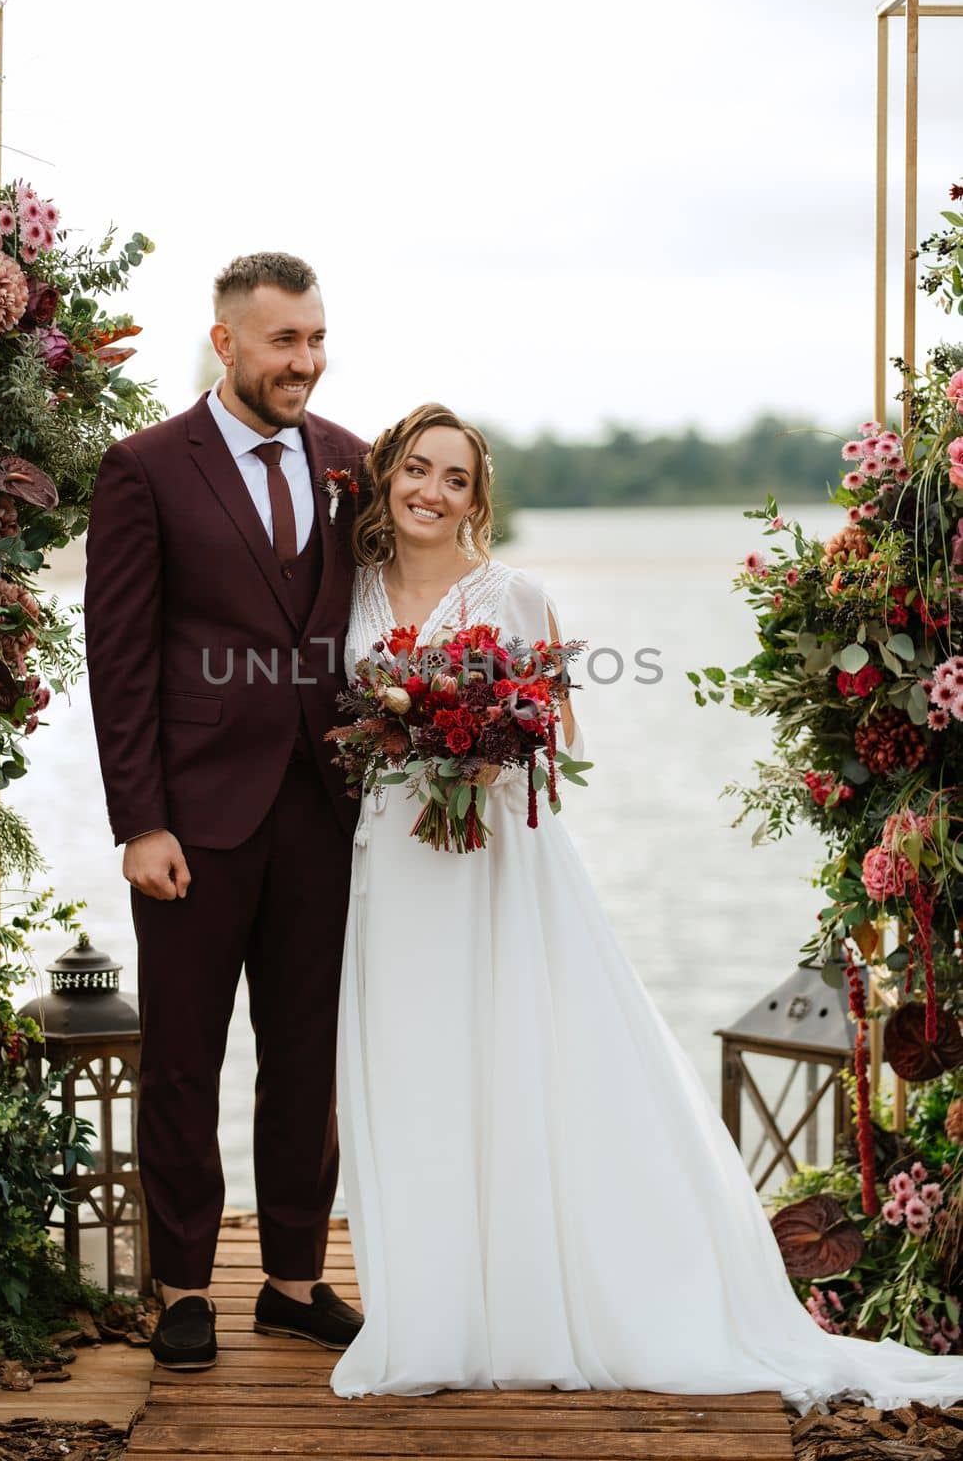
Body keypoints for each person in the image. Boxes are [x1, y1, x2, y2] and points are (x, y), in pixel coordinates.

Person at [329, 401, 963, 1414]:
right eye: (417, 469)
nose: (431, 492)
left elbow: (560, 736)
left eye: (455, 478)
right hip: (389, 862)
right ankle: (433, 1311)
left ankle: (541, 1302)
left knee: (515, 1056)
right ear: (387, 476)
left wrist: (481, 742)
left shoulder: (516, 593)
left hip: (494, 860)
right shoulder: (353, 588)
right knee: (413, 1068)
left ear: (477, 499)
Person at [84, 252, 365, 1369]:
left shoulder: (354, 461)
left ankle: (294, 1280)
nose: (306, 359)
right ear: (226, 342)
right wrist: (137, 819)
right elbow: (120, 656)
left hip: (328, 811)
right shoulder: (147, 468)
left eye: (316, 337)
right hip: (194, 819)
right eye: (284, 340)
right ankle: (184, 1286)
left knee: (308, 1053)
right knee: (186, 1058)